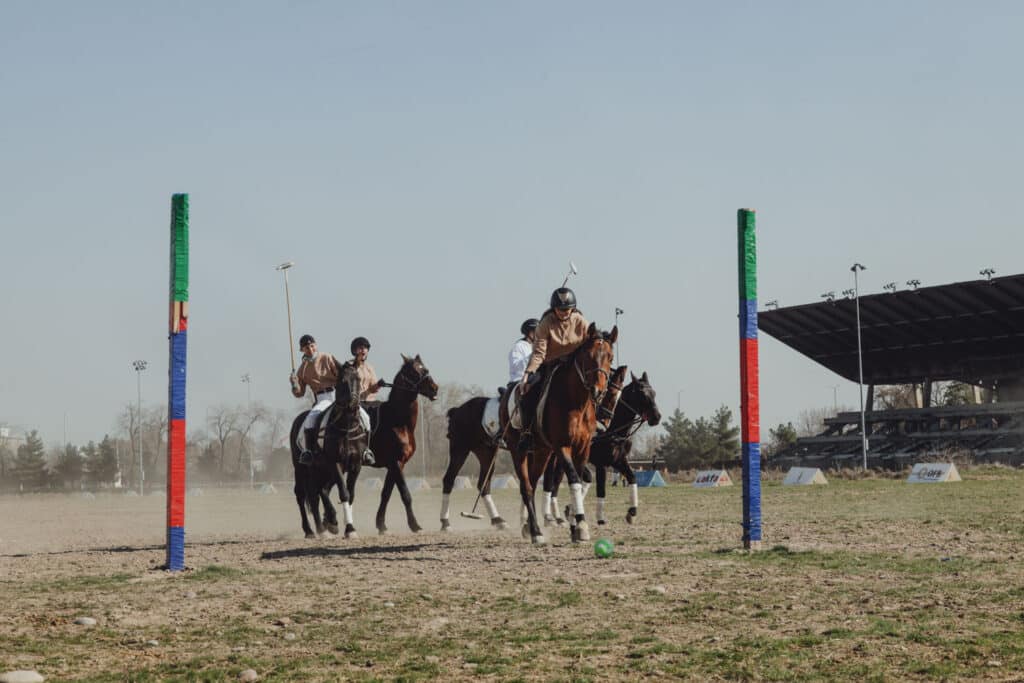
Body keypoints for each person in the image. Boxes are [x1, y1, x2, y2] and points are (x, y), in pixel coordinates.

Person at [517, 288, 590, 451]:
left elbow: (590, 344)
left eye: (567, 309)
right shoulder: (545, 323)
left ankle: (595, 426)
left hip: (575, 368)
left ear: (573, 308)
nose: (563, 313)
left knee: (597, 387)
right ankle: (527, 433)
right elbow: (539, 352)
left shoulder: (581, 321)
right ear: (553, 308)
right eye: (560, 309)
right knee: (528, 392)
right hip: (550, 366)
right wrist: (527, 374)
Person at [290, 334, 340, 465]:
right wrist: (294, 384)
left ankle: (366, 450)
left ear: (316, 345)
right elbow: (300, 393)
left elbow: (341, 375)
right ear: (302, 350)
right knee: (310, 419)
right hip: (322, 399)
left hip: (337, 394)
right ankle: (308, 451)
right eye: (307, 348)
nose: (310, 349)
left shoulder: (327, 357)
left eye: (312, 346)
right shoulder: (302, 369)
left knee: (364, 415)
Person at [348, 336, 386, 465]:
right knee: (367, 420)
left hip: (371, 402)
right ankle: (366, 450)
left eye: (365, 348)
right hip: (357, 404)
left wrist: (378, 385)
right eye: (360, 348)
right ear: (354, 351)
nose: (363, 350)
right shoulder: (349, 366)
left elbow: (373, 388)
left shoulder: (370, 367)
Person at [509, 318, 539, 384]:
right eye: (535, 332)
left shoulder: (538, 346)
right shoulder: (518, 346)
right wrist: (531, 356)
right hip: (519, 380)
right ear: (528, 333)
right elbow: (516, 366)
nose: (538, 335)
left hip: (534, 378)